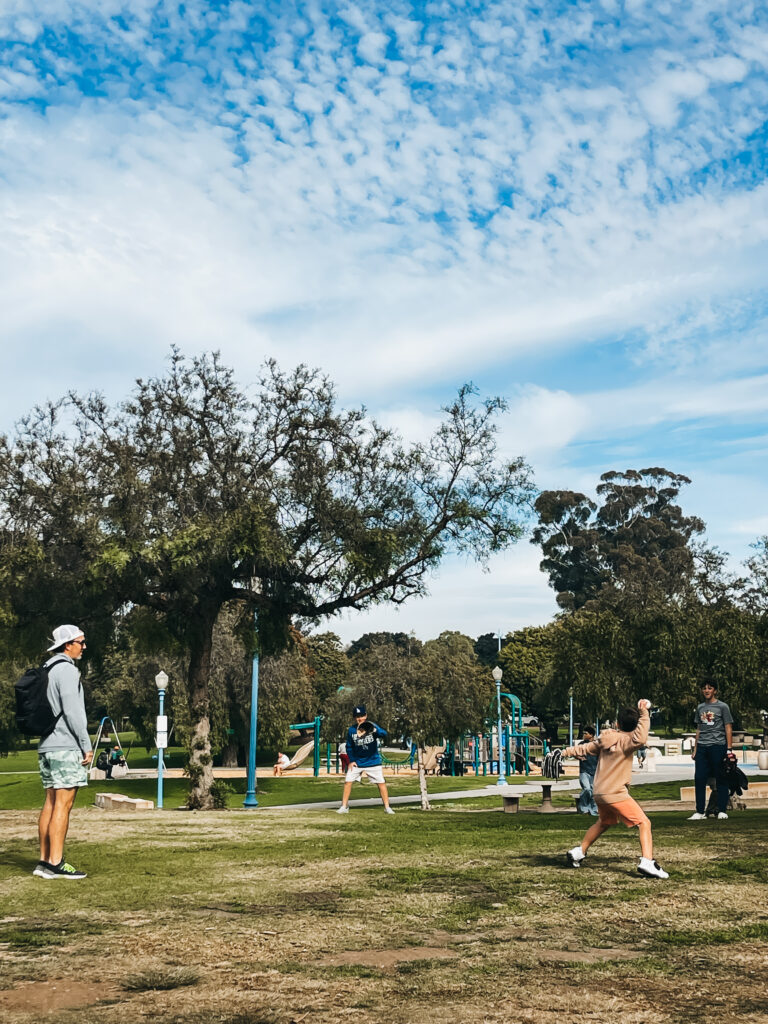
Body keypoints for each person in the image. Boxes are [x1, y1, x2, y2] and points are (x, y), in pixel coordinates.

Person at [562, 700, 669, 879]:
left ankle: (579, 852)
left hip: (599, 793)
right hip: (615, 793)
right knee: (644, 823)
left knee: (605, 822)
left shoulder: (604, 739)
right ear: (635, 726)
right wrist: (644, 713)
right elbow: (641, 738)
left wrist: (563, 752)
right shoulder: (629, 741)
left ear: (617, 724)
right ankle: (647, 861)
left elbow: (584, 748)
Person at [34, 625, 93, 880]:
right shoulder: (67, 670)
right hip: (65, 745)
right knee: (63, 805)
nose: (84, 646)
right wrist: (86, 744)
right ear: (68, 645)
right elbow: (73, 711)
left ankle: (44, 861)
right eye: (81, 642)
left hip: (47, 746)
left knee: (50, 802)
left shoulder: (47, 669)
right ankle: (56, 862)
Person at [688, 679, 734, 821]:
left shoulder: (723, 707)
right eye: (704, 688)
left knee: (721, 778)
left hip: (718, 745)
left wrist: (729, 749)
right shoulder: (700, 708)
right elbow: (699, 728)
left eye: (710, 688)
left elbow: (728, 727)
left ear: (715, 690)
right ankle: (699, 811)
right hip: (702, 746)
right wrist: (695, 749)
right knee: (699, 778)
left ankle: (722, 810)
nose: (707, 691)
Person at [336, 705, 394, 815]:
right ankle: (344, 806)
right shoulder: (352, 730)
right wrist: (351, 760)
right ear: (354, 718)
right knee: (348, 782)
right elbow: (349, 746)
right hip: (357, 762)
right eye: (357, 716)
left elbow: (384, 734)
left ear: (366, 716)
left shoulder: (371, 726)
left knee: (381, 783)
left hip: (373, 761)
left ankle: (387, 807)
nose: (360, 718)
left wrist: (375, 730)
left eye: (362, 715)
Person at [575, 726, 598, 815]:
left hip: (595, 771)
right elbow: (574, 753)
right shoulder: (581, 744)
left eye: (586, 733)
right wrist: (579, 757)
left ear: (591, 735)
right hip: (584, 771)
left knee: (593, 792)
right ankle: (584, 808)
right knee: (587, 789)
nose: (584, 735)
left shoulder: (597, 745)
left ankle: (593, 810)